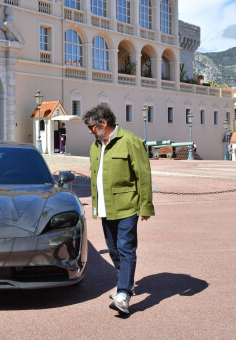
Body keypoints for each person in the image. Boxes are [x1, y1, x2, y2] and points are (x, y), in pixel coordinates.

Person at [83, 104, 154, 315]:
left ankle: (123, 293)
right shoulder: (95, 147)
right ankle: (127, 282)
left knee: (125, 248)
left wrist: (145, 206)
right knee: (113, 250)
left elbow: (143, 175)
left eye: (92, 127)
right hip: (105, 208)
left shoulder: (130, 141)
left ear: (103, 123)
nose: (90, 132)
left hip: (127, 206)